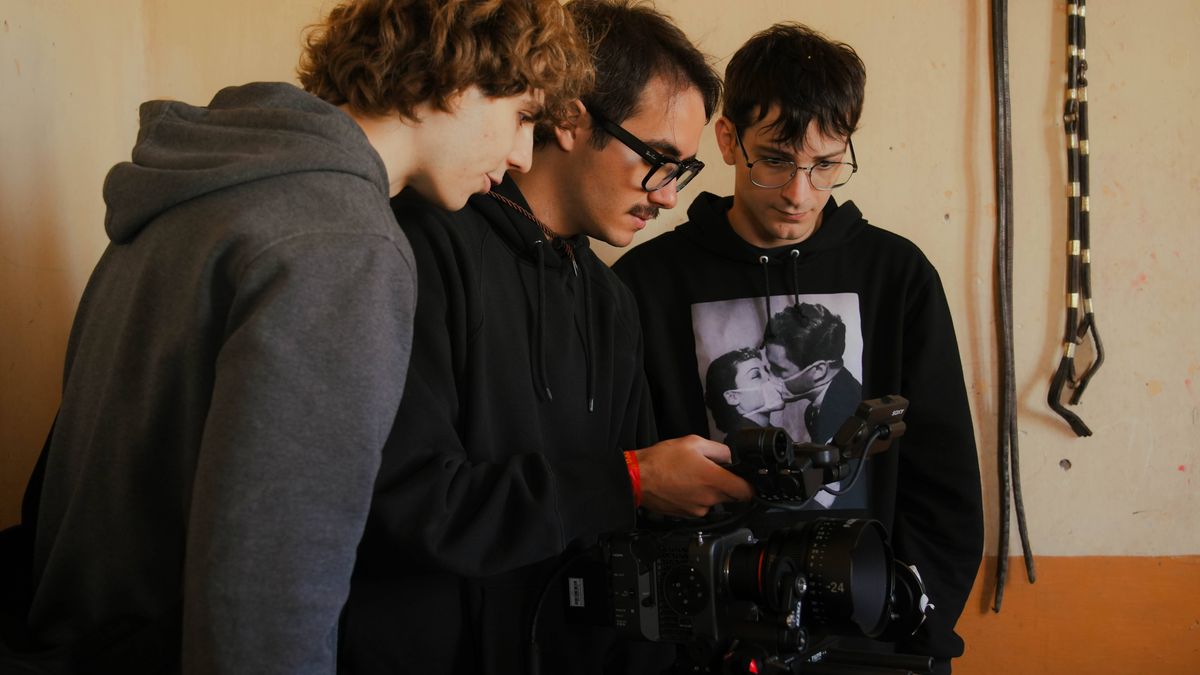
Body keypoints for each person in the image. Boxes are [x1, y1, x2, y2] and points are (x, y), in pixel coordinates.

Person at [18, 1, 590, 673]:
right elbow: (272, 577)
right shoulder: (344, 241)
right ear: (455, 75)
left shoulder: (205, 186)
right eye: (523, 115)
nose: (523, 155)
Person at [338, 2, 752, 673]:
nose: (669, 195)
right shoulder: (418, 245)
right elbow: (405, 505)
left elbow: (624, 543)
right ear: (568, 118)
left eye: (684, 170)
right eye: (657, 158)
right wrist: (630, 479)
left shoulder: (612, 300)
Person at [613, 22, 984, 673]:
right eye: (777, 159)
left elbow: (945, 482)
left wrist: (911, 622)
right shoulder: (646, 283)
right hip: (706, 646)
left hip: (872, 643)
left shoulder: (897, 275)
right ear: (728, 140)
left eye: (827, 163)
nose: (800, 192)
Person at [764, 302, 863, 444]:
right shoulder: (817, 408)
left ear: (818, 371)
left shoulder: (847, 414)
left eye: (779, 369)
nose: (768, 376)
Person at [703, 347, 787, 436]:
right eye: (756, 375)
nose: (769, 377)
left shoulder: (767, 433)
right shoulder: (743, 442)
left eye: (766, 370)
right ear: (732, 397)